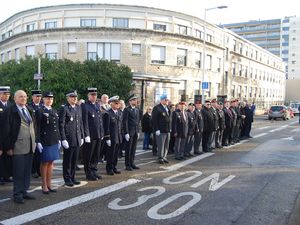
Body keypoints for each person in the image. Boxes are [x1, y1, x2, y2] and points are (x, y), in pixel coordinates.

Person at [3, 90, 36, 204]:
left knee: (27, 171)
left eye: (25, 97)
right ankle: (17, 194)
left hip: (30, 145)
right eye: (21, 97)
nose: (23, 98)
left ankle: (24, 191)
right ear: (15, 98)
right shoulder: (10, 111)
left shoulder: (29, 109)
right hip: (18, 146)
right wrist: (8, 147)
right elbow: (5, 130)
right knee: (18, 172)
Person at [35, 91, 60, 194]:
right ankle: (44, 184)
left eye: (51, 98)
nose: (50, 100)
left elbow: (56, 126)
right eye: (48, 98)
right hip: (45, 140)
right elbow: (37, 127)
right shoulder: (40, 111)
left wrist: (59, 138)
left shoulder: (54, 110)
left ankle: (49, 184)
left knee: (51, 162)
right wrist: (38, 141)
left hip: (53, 140)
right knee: (45, 162)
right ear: (44, 99)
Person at [59, 90, 84, 187]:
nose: (75, 98)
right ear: (68, 98)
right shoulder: (64, 108)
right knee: (67, 161)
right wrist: (63, 138)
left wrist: (81, 136)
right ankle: (67, 178)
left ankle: (73, 177)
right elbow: (61, 125)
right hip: (69, 139)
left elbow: (80, 122)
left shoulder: (78, 107)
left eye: (75, 97)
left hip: (77, 138)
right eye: (72, 97)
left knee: (74, 160)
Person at [81, 88, 104, 181]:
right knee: (88, 155)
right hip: (90, 135)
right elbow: (85, 121)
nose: (94, 96)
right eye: (92, 95)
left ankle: (94, 170)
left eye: (95, 94)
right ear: (88, 96)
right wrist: (86, 135)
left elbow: (100, 120)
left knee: (96, 154)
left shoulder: (97, 105)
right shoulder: (85, 106)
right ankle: (88, 173)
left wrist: (102, 132)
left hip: (98, 134)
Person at [103, 96, 123, 175]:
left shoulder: (119, 113)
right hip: (111, 137)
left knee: (116, 154)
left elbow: (120, 126)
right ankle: (109, 168)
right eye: (116, 103)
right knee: (110, 154)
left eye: (118, 103)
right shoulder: (108, 114)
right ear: (111, 104)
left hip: (118, 137)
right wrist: (107, 137)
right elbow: (106, 127)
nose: (118, 104)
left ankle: (114, 167)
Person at [152, 95, 172, 164]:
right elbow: (154, 120)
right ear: (161, 100)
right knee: (161, 145)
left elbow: (169, 119)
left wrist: (170, 128)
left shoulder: (168, 108)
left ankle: (164, 156)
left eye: (167, 100)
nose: (167, 101)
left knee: (166, 144)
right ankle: (160, 157)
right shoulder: (157, 108)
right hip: (161, 130)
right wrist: (156, 129)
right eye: (165, 100)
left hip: (167, 129)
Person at [123, 94, 140, 170]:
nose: (136, 101)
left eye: (136, 100)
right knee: (128, 149)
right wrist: (126, 132)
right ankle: (127, 164)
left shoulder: (137, 109)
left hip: (135, 131)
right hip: (129, 132)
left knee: (133, 149)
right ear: (130, 101)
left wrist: (138, 131)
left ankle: (132, 163)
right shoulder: (127, 110)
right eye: (134, 100)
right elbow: (125, 122)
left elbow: (138, 121)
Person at [28, 89, 43, 179]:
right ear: (32, 97)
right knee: (34, 154)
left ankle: (39, 170)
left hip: (42, 133)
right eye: (36, 96)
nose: (38, 98)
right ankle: (33, 171)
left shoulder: (42, 106)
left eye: (39, 96)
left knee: (41, 154)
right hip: (33, 133)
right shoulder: (29, 107)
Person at [0, 86, 13, 185]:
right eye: (4, 94)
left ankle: (6, 176)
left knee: (7, 158)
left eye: (8, 94)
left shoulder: (11, 105)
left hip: (8, 136)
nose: (7, 96)